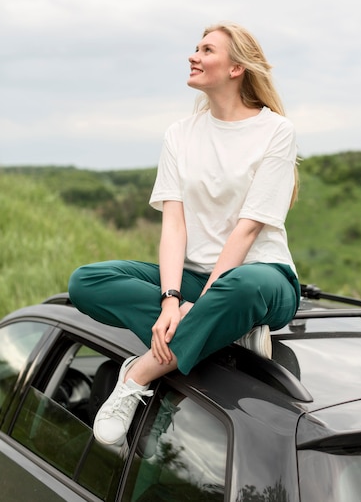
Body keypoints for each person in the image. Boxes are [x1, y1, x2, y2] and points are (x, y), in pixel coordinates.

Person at [68, 22, 301, 447]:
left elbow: (247, 229)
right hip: (194, 277)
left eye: (206, 50)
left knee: (244, 286)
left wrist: (203, 303)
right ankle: (223, 332)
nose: (193, 56)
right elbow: (173, 223)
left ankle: (139, 375)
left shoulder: (276, 132)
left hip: (262, 279)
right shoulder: (180, 134)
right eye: (195, 48)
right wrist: (171, 300)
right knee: (86, 281)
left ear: (235, 68)